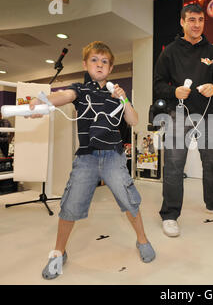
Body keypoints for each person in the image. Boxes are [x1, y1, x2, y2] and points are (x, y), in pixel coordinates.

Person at [28, 41, 155, 279]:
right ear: (86, 64)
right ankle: (58, 252)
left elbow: (134, 120)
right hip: (86, 158)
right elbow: (64, 96)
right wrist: (43, 102)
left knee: (129, 200)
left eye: (104, 61)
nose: (99, 65)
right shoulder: (81, 89)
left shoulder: (117, 95)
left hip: (113, 157)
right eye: (94, 60)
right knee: (70, 205)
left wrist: (124, 99)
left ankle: (142, 240)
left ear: (110, 68)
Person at [153, 4, 213, 238]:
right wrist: (173, 92)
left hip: (207, 115)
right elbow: (158, 84)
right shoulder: (169, 52)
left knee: (211, 162)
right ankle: (170, 215)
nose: (196, 24)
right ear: (182, 22)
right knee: (174, 167)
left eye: (200, 19)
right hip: (177, 116)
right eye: (191, 20)